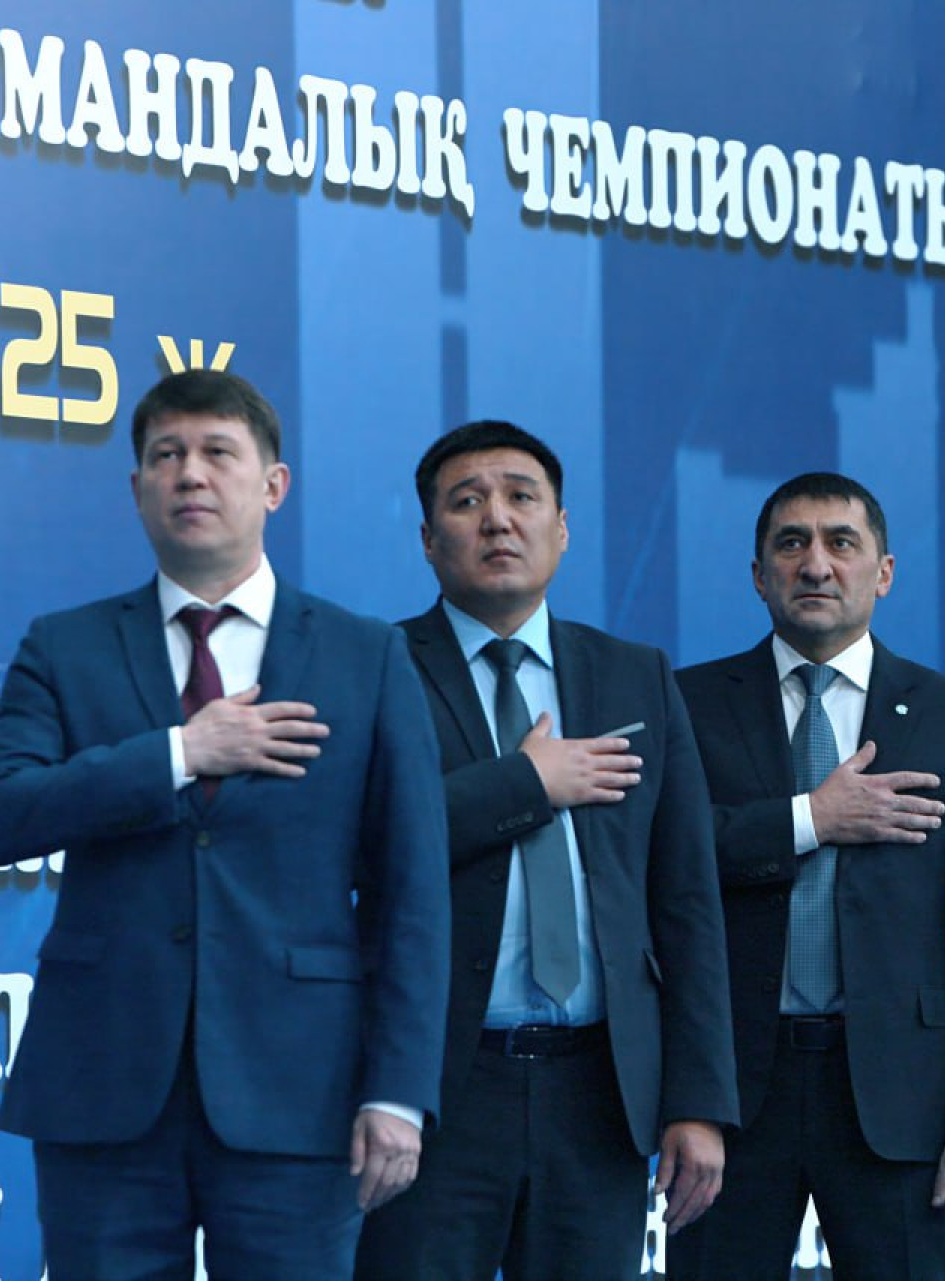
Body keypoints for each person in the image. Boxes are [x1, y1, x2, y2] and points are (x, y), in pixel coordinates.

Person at [0, 368, 451, 1279]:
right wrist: (179, 752)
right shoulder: (65, 645)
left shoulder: (365, 655)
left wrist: (398, 1089)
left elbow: (412, 893)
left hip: (301, 1093)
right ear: (136, 488)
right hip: (103, 1090)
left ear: (273, 484)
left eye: (218, 452)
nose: (190, 473)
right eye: (166, 455)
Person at [354, 420, 738, 1280]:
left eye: (521, 497)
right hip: (436, 1090)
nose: (498, 518)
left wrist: (698, 1100)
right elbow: (362, 840)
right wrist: (524, 784)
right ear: (428, 539)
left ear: (561, 529)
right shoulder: (377, 667)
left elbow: (685, 899)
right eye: (467, 501)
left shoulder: (636, 674)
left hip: (598, 1093)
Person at [670, 472, 945, 1279]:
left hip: (901, 1100)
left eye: (842, 542)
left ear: (884, 571)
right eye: (791, 544)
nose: (816, 563)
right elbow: (667, 864)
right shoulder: (688, 704)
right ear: (758, 574)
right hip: (729, 1097)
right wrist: (812, 818)